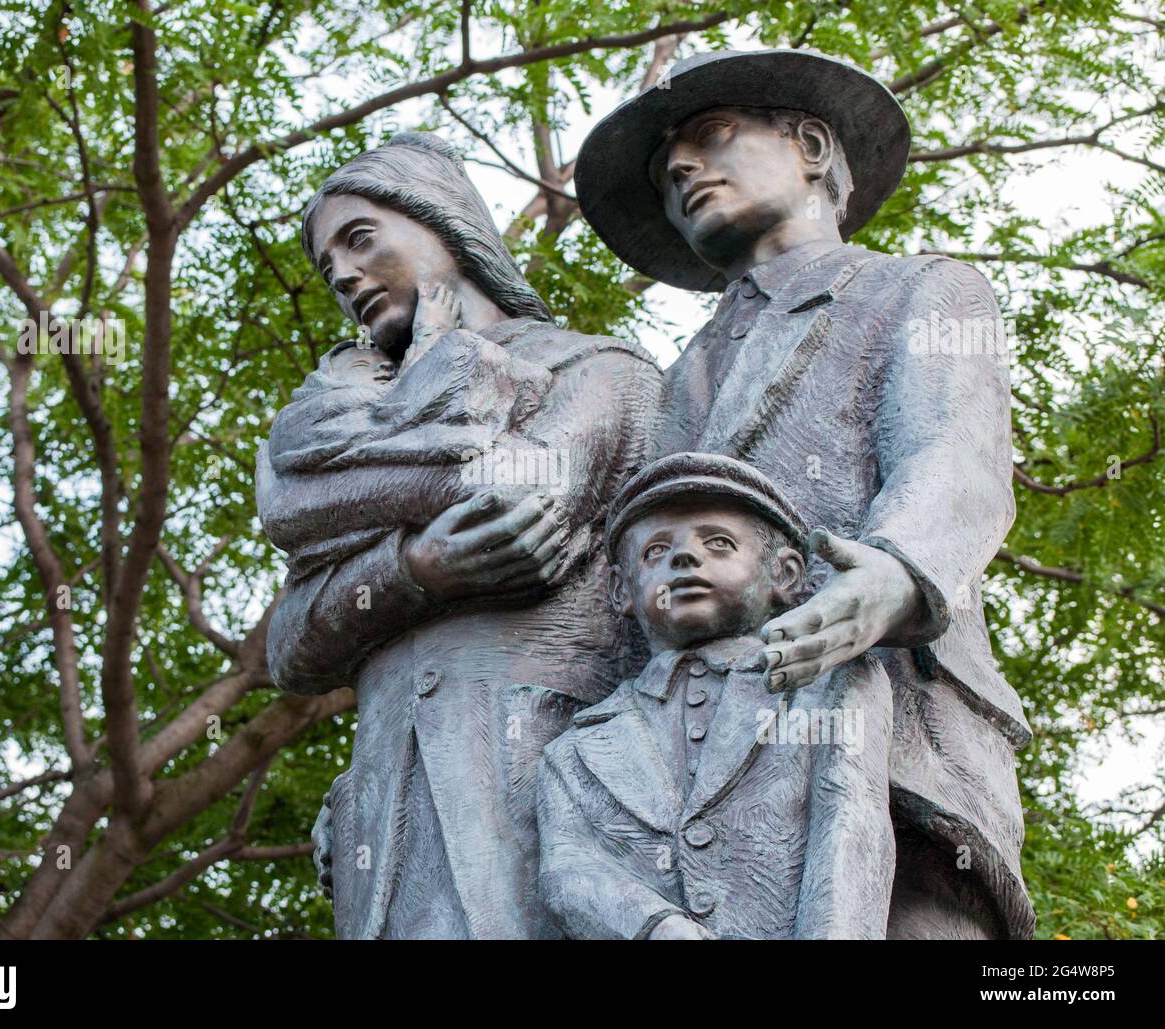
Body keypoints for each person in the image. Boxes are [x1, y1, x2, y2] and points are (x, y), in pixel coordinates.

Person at [573, 49, 1033, 938]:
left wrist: (900, 572)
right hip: (695, 788)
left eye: (711, 138)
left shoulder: (919, 288)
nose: (682, 171)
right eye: (669, 176)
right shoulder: (677, 378)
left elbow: (954, 451)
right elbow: (616, 589)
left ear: (813, 146)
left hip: (901, 733)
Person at [258, 132, 661, 938]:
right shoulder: (342, 406)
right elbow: (292, 643)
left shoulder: (601, 371)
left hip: (549, 786)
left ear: (444, 223)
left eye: (360, 237)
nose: (341, 274)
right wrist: (414, 568)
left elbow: (514, 499)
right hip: (386, 826)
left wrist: (343, 507)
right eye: (326, 262)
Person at [538, 452, 895, 940]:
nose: (683, 558)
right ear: (621, 592)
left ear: (785, 575)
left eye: (720, 543)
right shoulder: (575, 748)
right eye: (655, 551)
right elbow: (569, 870)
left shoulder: (829, 687)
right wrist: (657, 928)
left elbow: (850, 830)